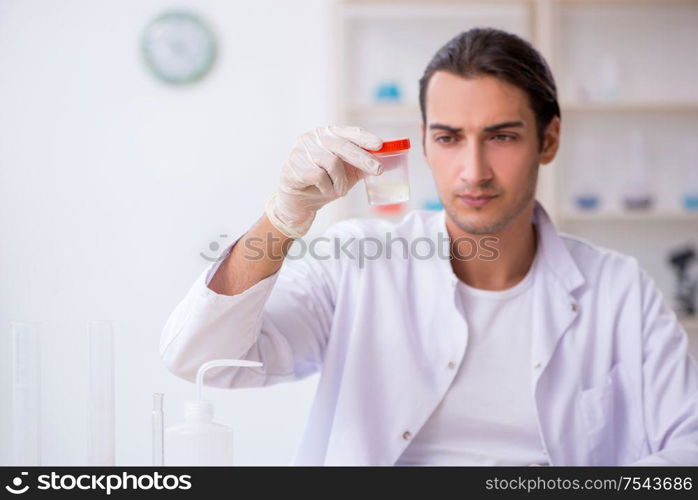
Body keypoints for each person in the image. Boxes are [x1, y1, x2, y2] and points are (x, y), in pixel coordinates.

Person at [159, 27, 698, 465]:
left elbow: (688, 448)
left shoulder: (618, 289)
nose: (474, 170)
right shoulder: (359, 263)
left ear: (548, 139)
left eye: (502, 136)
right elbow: (201, 358)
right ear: (423, 143)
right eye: (448, 138)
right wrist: (281, 220)